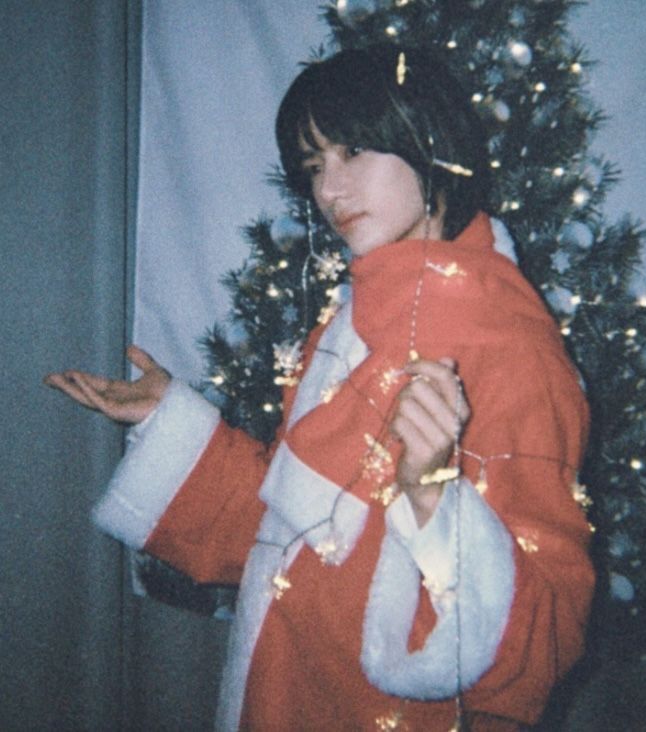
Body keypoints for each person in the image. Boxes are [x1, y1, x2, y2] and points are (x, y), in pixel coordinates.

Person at [45, 45, 594, 731]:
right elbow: (290, 530)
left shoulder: (505, 341)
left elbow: (543, 634)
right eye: (313, 167)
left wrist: (433, 499)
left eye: (355, 151)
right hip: (285, 691)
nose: (328, 190)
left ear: (429, 141)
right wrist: (169, 418)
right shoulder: (356, 319)